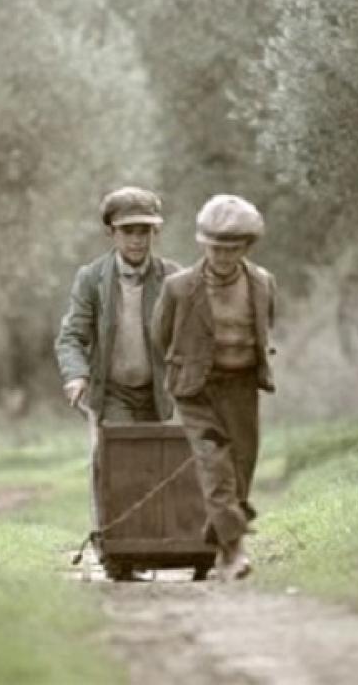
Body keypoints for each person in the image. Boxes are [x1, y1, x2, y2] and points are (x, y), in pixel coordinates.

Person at [152, 194, 276, 581]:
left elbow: (264, 327)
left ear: (247, 247)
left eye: (233, 248)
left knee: (240, 470)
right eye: (215, 247)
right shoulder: (179, 288)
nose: (223, 256)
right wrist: (190, 362)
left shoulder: (263, 283)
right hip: (196, 390)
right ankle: (236, 552)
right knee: (215, 465)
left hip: (242, 386)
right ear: (202, 244)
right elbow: (161, 336)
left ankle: (217, 541)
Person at [54, 186, 180, 425]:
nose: (137, 240)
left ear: (154, 232)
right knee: (122, 454)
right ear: (111, 231)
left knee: (163, 459)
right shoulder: (91, 278)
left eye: (144, 231)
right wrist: (76, 375)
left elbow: (191, 335)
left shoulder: (172, 278)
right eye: (127, 231)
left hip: (160, 393)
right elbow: (71, 336)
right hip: (113, 394)